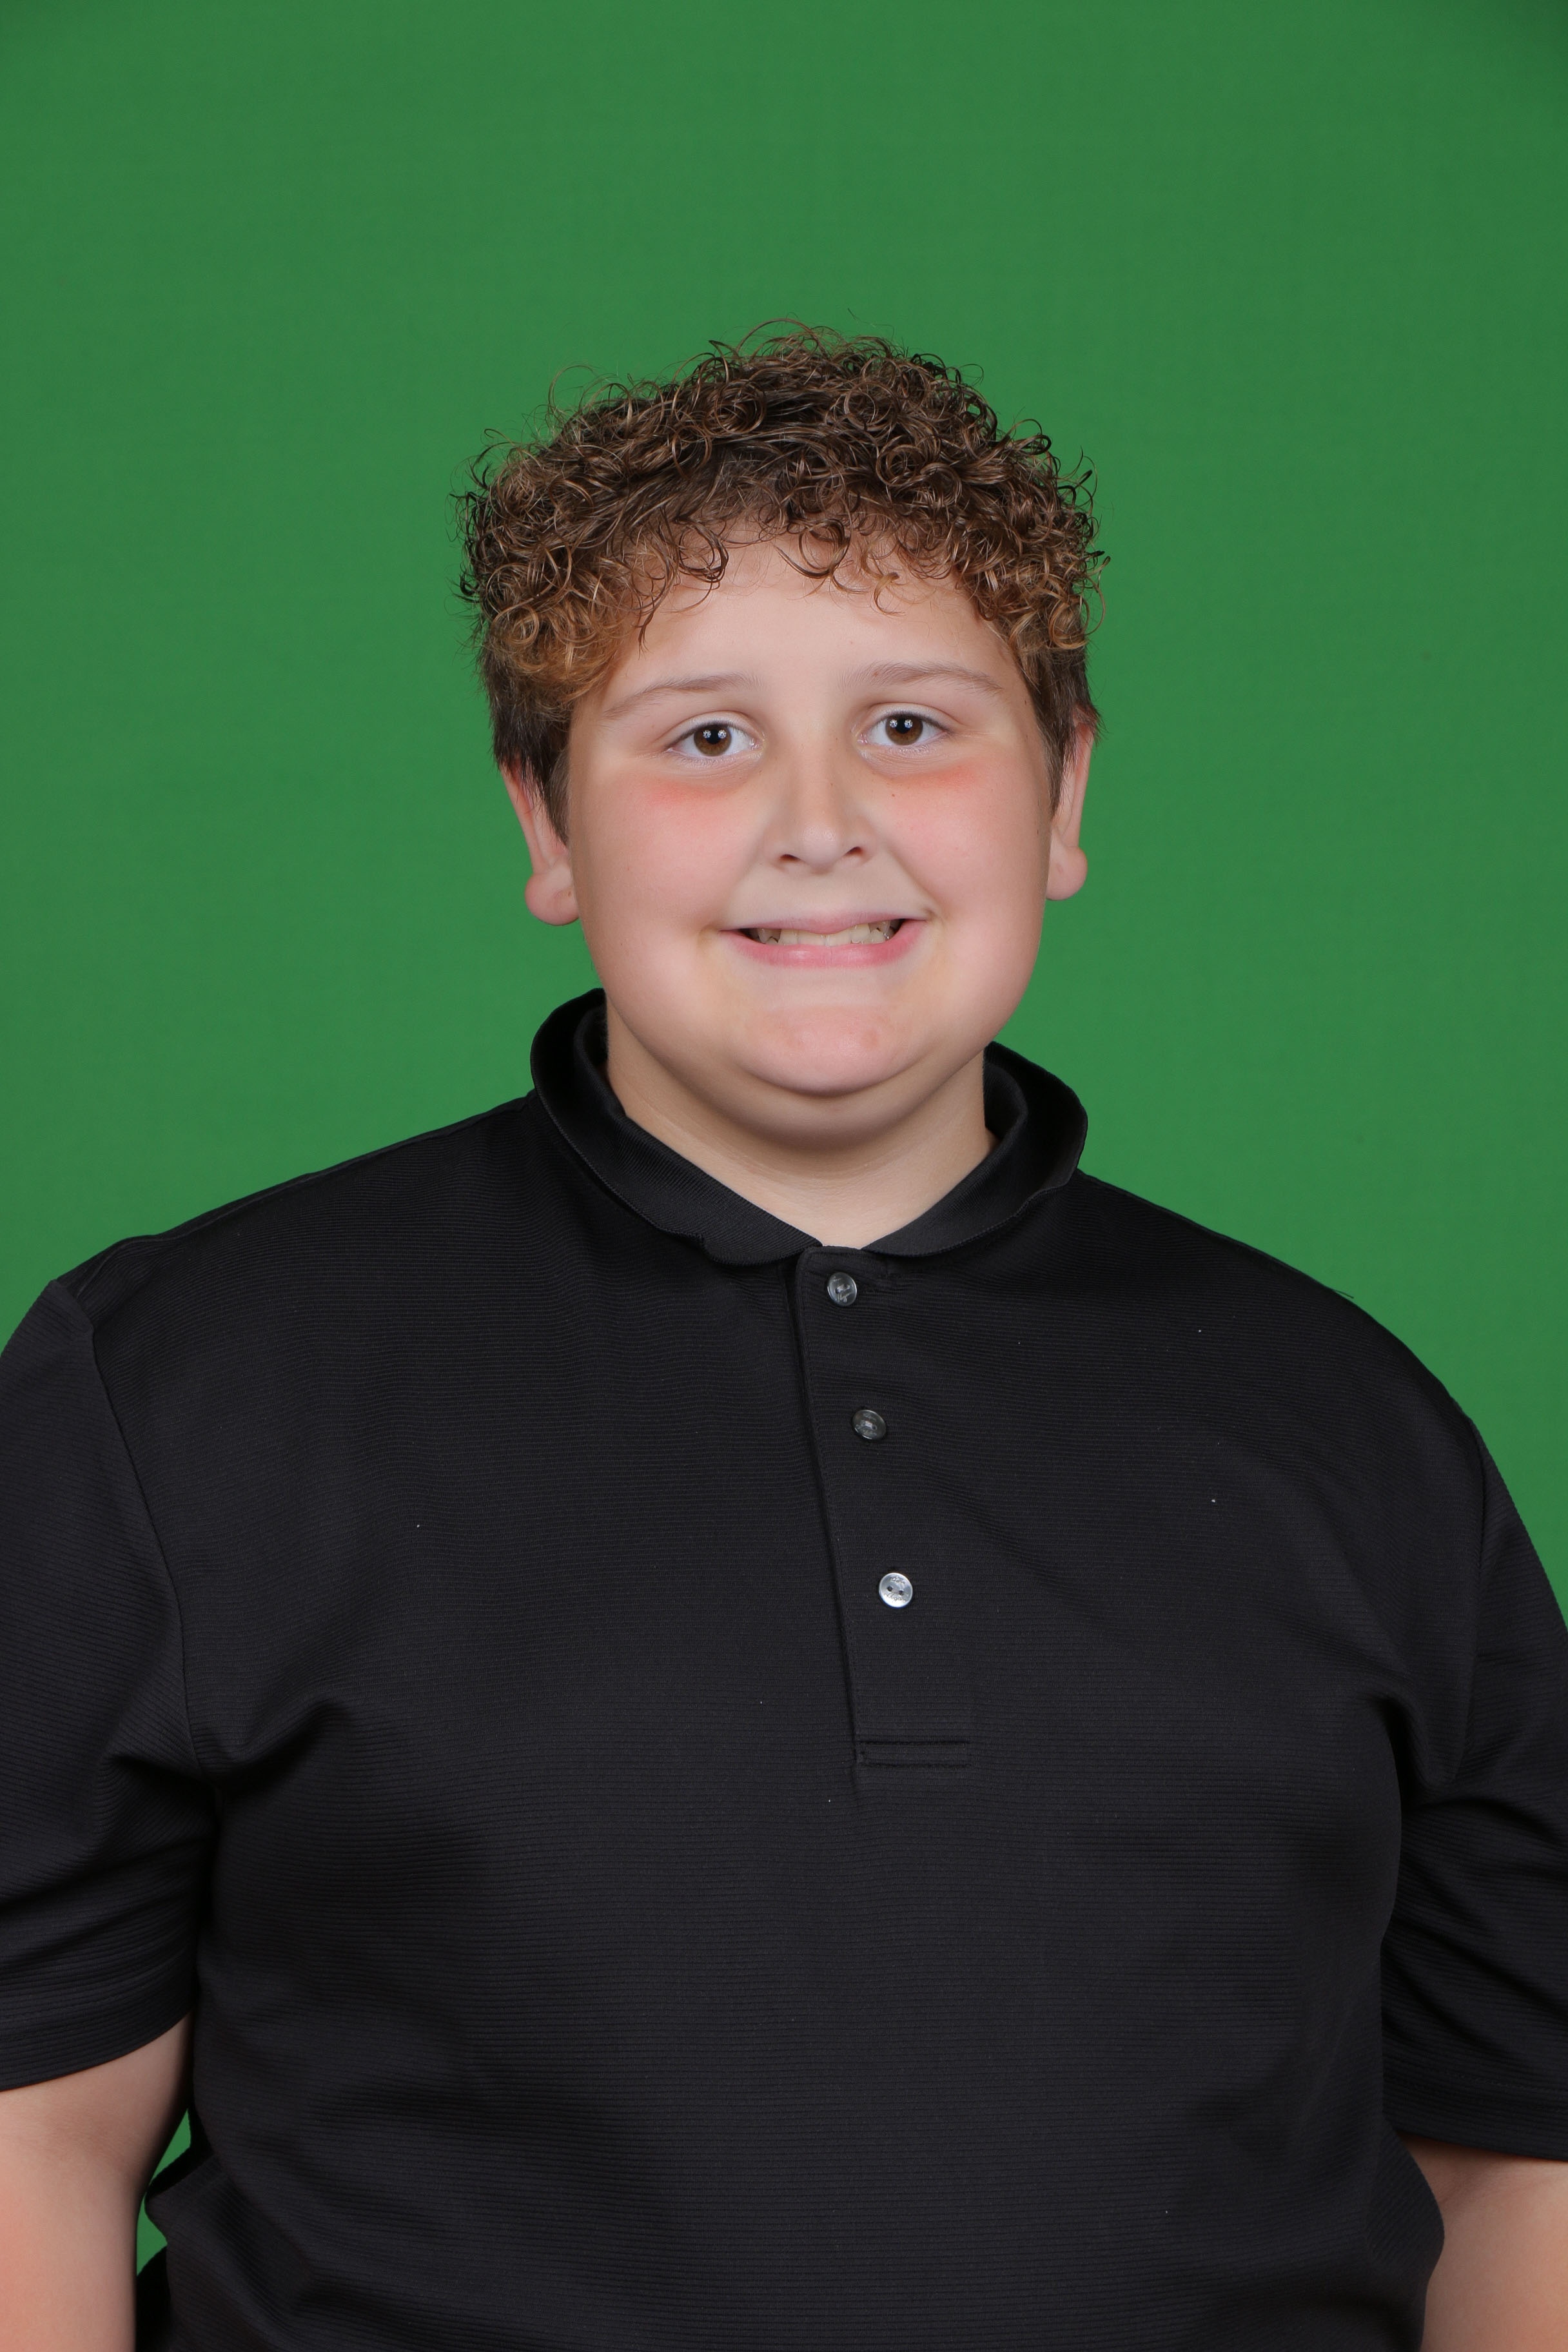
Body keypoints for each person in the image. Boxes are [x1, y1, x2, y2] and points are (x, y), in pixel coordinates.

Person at [1, 330, 1565, 2352]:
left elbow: (1515, 2160)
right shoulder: (177, 1385)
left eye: (912, 725)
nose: (821, 823)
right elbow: (34, 2143)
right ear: (546, 821)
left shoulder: (1350, 1425)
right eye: (707, 737)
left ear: (1065, 793)